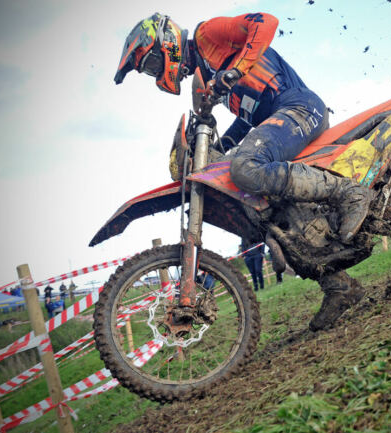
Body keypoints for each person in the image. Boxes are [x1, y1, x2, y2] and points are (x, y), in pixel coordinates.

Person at [115, 12, 370, 330]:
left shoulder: (208, 35)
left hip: (300, 108)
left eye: (153, 64)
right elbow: (251, 118)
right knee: (264, 213)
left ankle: (348, 192)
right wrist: (223, 145)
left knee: (245, 167)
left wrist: (235, 70)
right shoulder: (208, 78)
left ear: (167, 43)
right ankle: (339, 287)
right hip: (280, 119)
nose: (157, 74)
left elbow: (266, 21)